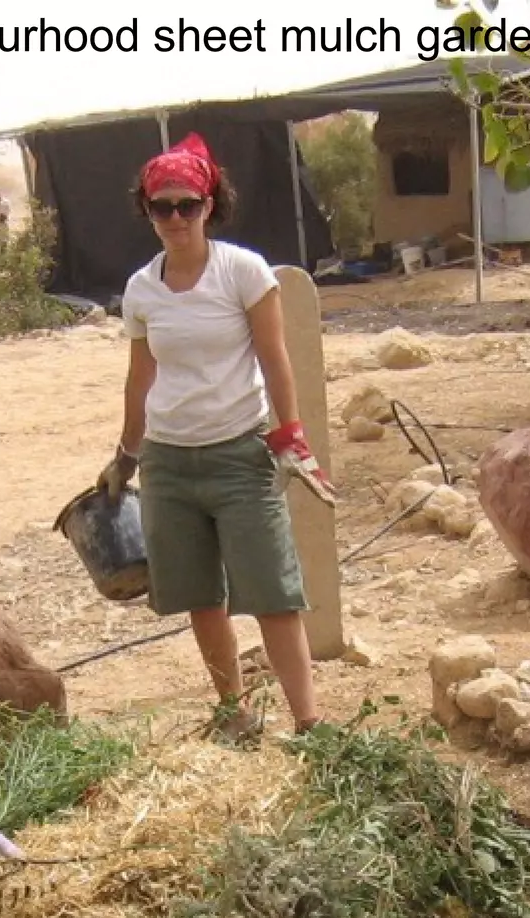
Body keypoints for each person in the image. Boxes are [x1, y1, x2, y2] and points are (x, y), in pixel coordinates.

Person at [99, 132, 335, 744]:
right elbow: (140, 376)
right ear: (146, 210)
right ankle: (233, 713)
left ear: (210, 204)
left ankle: (310, 724)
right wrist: (126, 455)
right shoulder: (142, 289)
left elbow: (275, 357)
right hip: (169, 464)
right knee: (200, 596)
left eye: (188, 205)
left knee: (273, 593)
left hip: (240, 453)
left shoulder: (243, 271)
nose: (176, 218)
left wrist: (291, 436)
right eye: (162, 207)